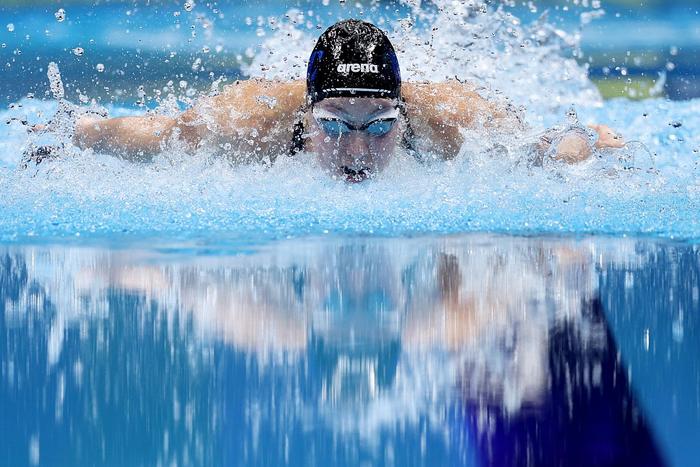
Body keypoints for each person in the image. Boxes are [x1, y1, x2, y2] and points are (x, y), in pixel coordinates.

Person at [32, 19, 624, 182]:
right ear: (309, 113)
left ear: (403, 114)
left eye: (380, 127)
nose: (357, 150)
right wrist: (80, 133)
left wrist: (591, 138)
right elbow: (163, 138)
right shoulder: (253, 121)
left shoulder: (453, 121)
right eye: (336, 128)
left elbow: (533, 153)